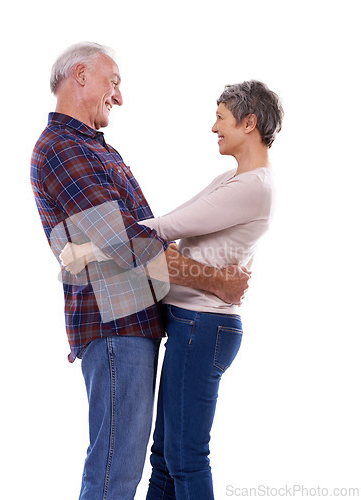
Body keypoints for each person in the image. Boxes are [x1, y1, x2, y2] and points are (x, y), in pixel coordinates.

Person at [30, 42, 250, 500]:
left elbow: (133, 235)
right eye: (115, 82)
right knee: (115, 474)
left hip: (135, 325)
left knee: (137, 467)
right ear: (81, 75)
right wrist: (216, 280)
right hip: (115, 327)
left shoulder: (95, 148)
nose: (120, 96)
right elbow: (126, 242)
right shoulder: (61, 148)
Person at [61, 79, 283, 499]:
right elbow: (169, 227)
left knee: (186, 459)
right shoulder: (233, 179)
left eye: (221, 118)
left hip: (205, 326)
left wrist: (91, 246)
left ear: (249, 122)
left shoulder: (256, 187)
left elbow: (165, 229)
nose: (213, 127)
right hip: (190, 324)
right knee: (164, 459)